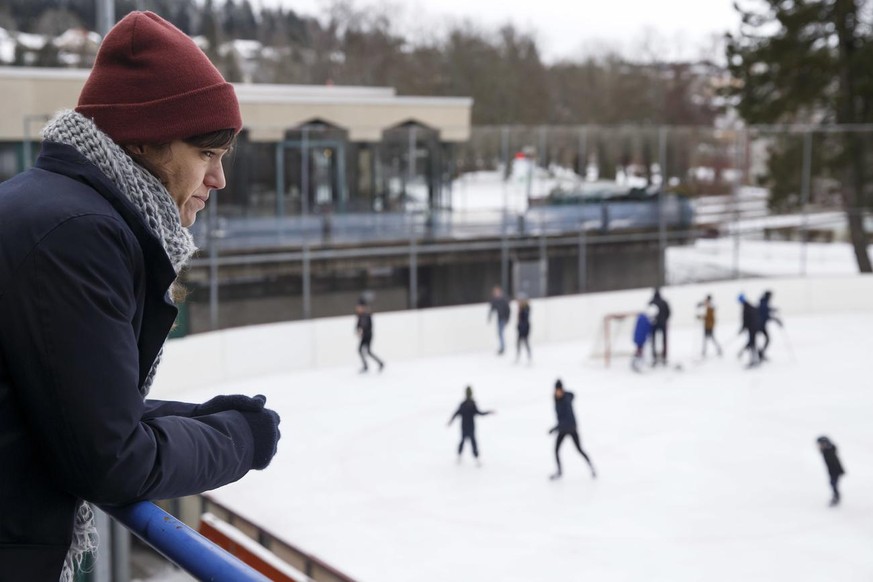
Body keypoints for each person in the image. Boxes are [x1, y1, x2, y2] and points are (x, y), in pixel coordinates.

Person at [0, 12, 281, 581]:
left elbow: (65, 401)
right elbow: (112, 460)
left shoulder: (40, 205)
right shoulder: (81, 235)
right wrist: (238, 440)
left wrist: (201, 419)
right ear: (146, 141)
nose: (218, 180)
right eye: (207, 154)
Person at [548, 380, 596, 480]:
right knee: (556, 450)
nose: (557, 392)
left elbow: (567, 420)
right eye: (556, 390)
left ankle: (591, 467)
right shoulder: (557, 399)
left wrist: (555, 428)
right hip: (562, 429)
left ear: (562, 390)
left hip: (570, 428)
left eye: (559, 390)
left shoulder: (566, 401)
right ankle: (559, 471)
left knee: (579, 449)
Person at [447, 386, 495, 464]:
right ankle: (467, 457)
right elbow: (479, 413)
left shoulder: (467, 404)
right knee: (468, 441)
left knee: (469, 441)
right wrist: (451, 421)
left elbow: (456, 413)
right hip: (468, 427)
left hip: (467, 427)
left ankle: (472, 458)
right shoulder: (469, 404)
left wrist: (451, 421)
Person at [355, 300, 385, 373]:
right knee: (360, 350)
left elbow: (367, 326)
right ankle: (367, 365)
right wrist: (358, 331)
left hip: (368, 336)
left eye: (359, 307)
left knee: (368, 351)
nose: (358, 309)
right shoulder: (360, 316)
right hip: (364, 336)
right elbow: (358, 325)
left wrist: (362, 331)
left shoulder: (366, 315)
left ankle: (380, 363)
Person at [816, 436, 845, 507]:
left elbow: (835, 462)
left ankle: (836, 497)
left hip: (835, 471)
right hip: (832, 471)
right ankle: (836, 496)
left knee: (833, 483)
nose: (821, 446)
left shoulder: (830, 451)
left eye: (822, 444)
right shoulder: (826, 451)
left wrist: (839, 471)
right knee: (832, 484)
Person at [758, 290, 783, 361]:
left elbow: (766, 310)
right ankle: (760, 353)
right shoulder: (763, 303)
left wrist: (773, 310)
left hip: (761, 324)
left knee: (766, 339)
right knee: (766, 339)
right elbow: (765, 315)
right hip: (760, 325)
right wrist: (776, 319)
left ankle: (761, 353)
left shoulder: (764, 302)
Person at [649, 288, 671, 366]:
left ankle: (654, 356)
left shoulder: (651, 302)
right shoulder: (664, 302)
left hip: (654, 324)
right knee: (664, 340)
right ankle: (664, 356)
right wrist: (665, 319)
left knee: (653, 341)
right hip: (663, 324)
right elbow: (669, 312)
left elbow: (648, 313)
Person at [738, 293, 761, 368]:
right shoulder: (749, 305)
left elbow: (746, 320)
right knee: (752, 344)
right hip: (753, 328)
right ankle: (755, 360)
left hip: (752, 329)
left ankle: (754, 360)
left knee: (752, 344)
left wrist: (743, 328)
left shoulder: (746, 307)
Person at [488, 285, 511, 355]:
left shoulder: (504, 300)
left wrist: (507, 318)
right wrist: (489, 316)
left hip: (503, 318)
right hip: (499, 318)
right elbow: (492, 308)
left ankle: (502, 347)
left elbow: (508, 310)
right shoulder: (495, 300)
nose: (496, 293)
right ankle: (502, 346)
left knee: (500, 333)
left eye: (497, 292)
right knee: (499, 333)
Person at [516, 296, 532, 363]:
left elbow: (525, 318)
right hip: (521, 327)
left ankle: (529, 355)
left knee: (525, 341)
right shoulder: (520, 308)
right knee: (518, 342)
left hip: (525, 327)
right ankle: (518, 355)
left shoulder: (526, 308)